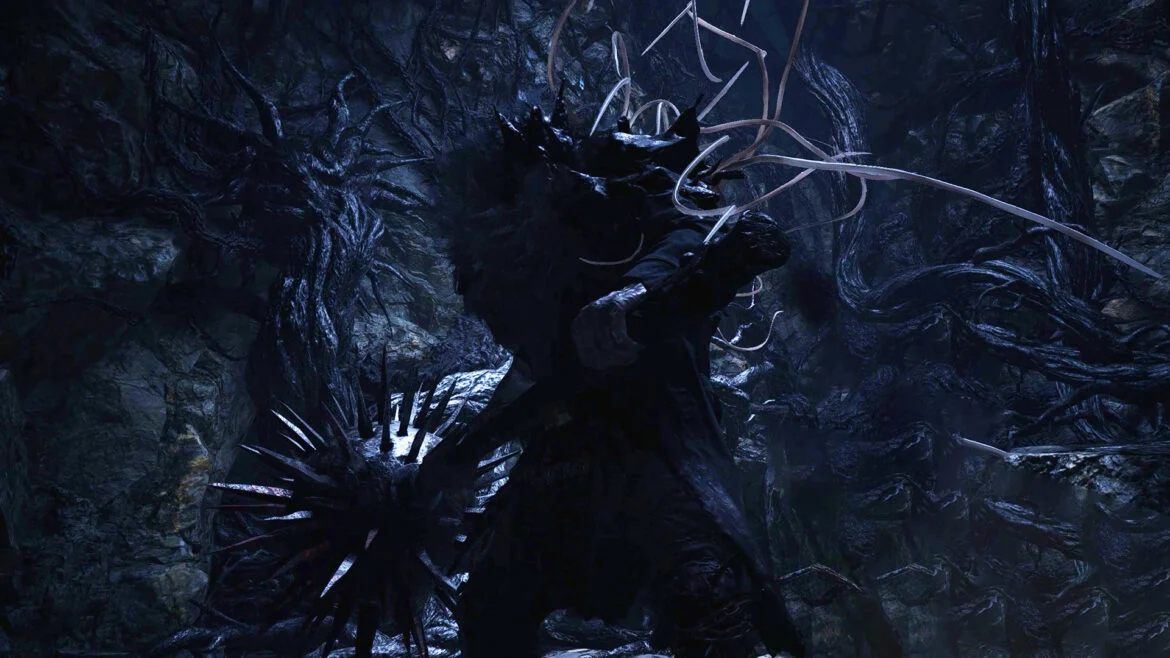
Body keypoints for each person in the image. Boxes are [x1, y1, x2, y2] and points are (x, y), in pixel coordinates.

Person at [442, 102, 806, 658]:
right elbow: (534, 372)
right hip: (565, 456)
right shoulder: (528, 256)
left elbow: (689, 228)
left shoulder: (629, 196)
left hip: (656, 442)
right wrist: (463, 452)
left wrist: (635, 290)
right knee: (492, 608)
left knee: (707, 601)